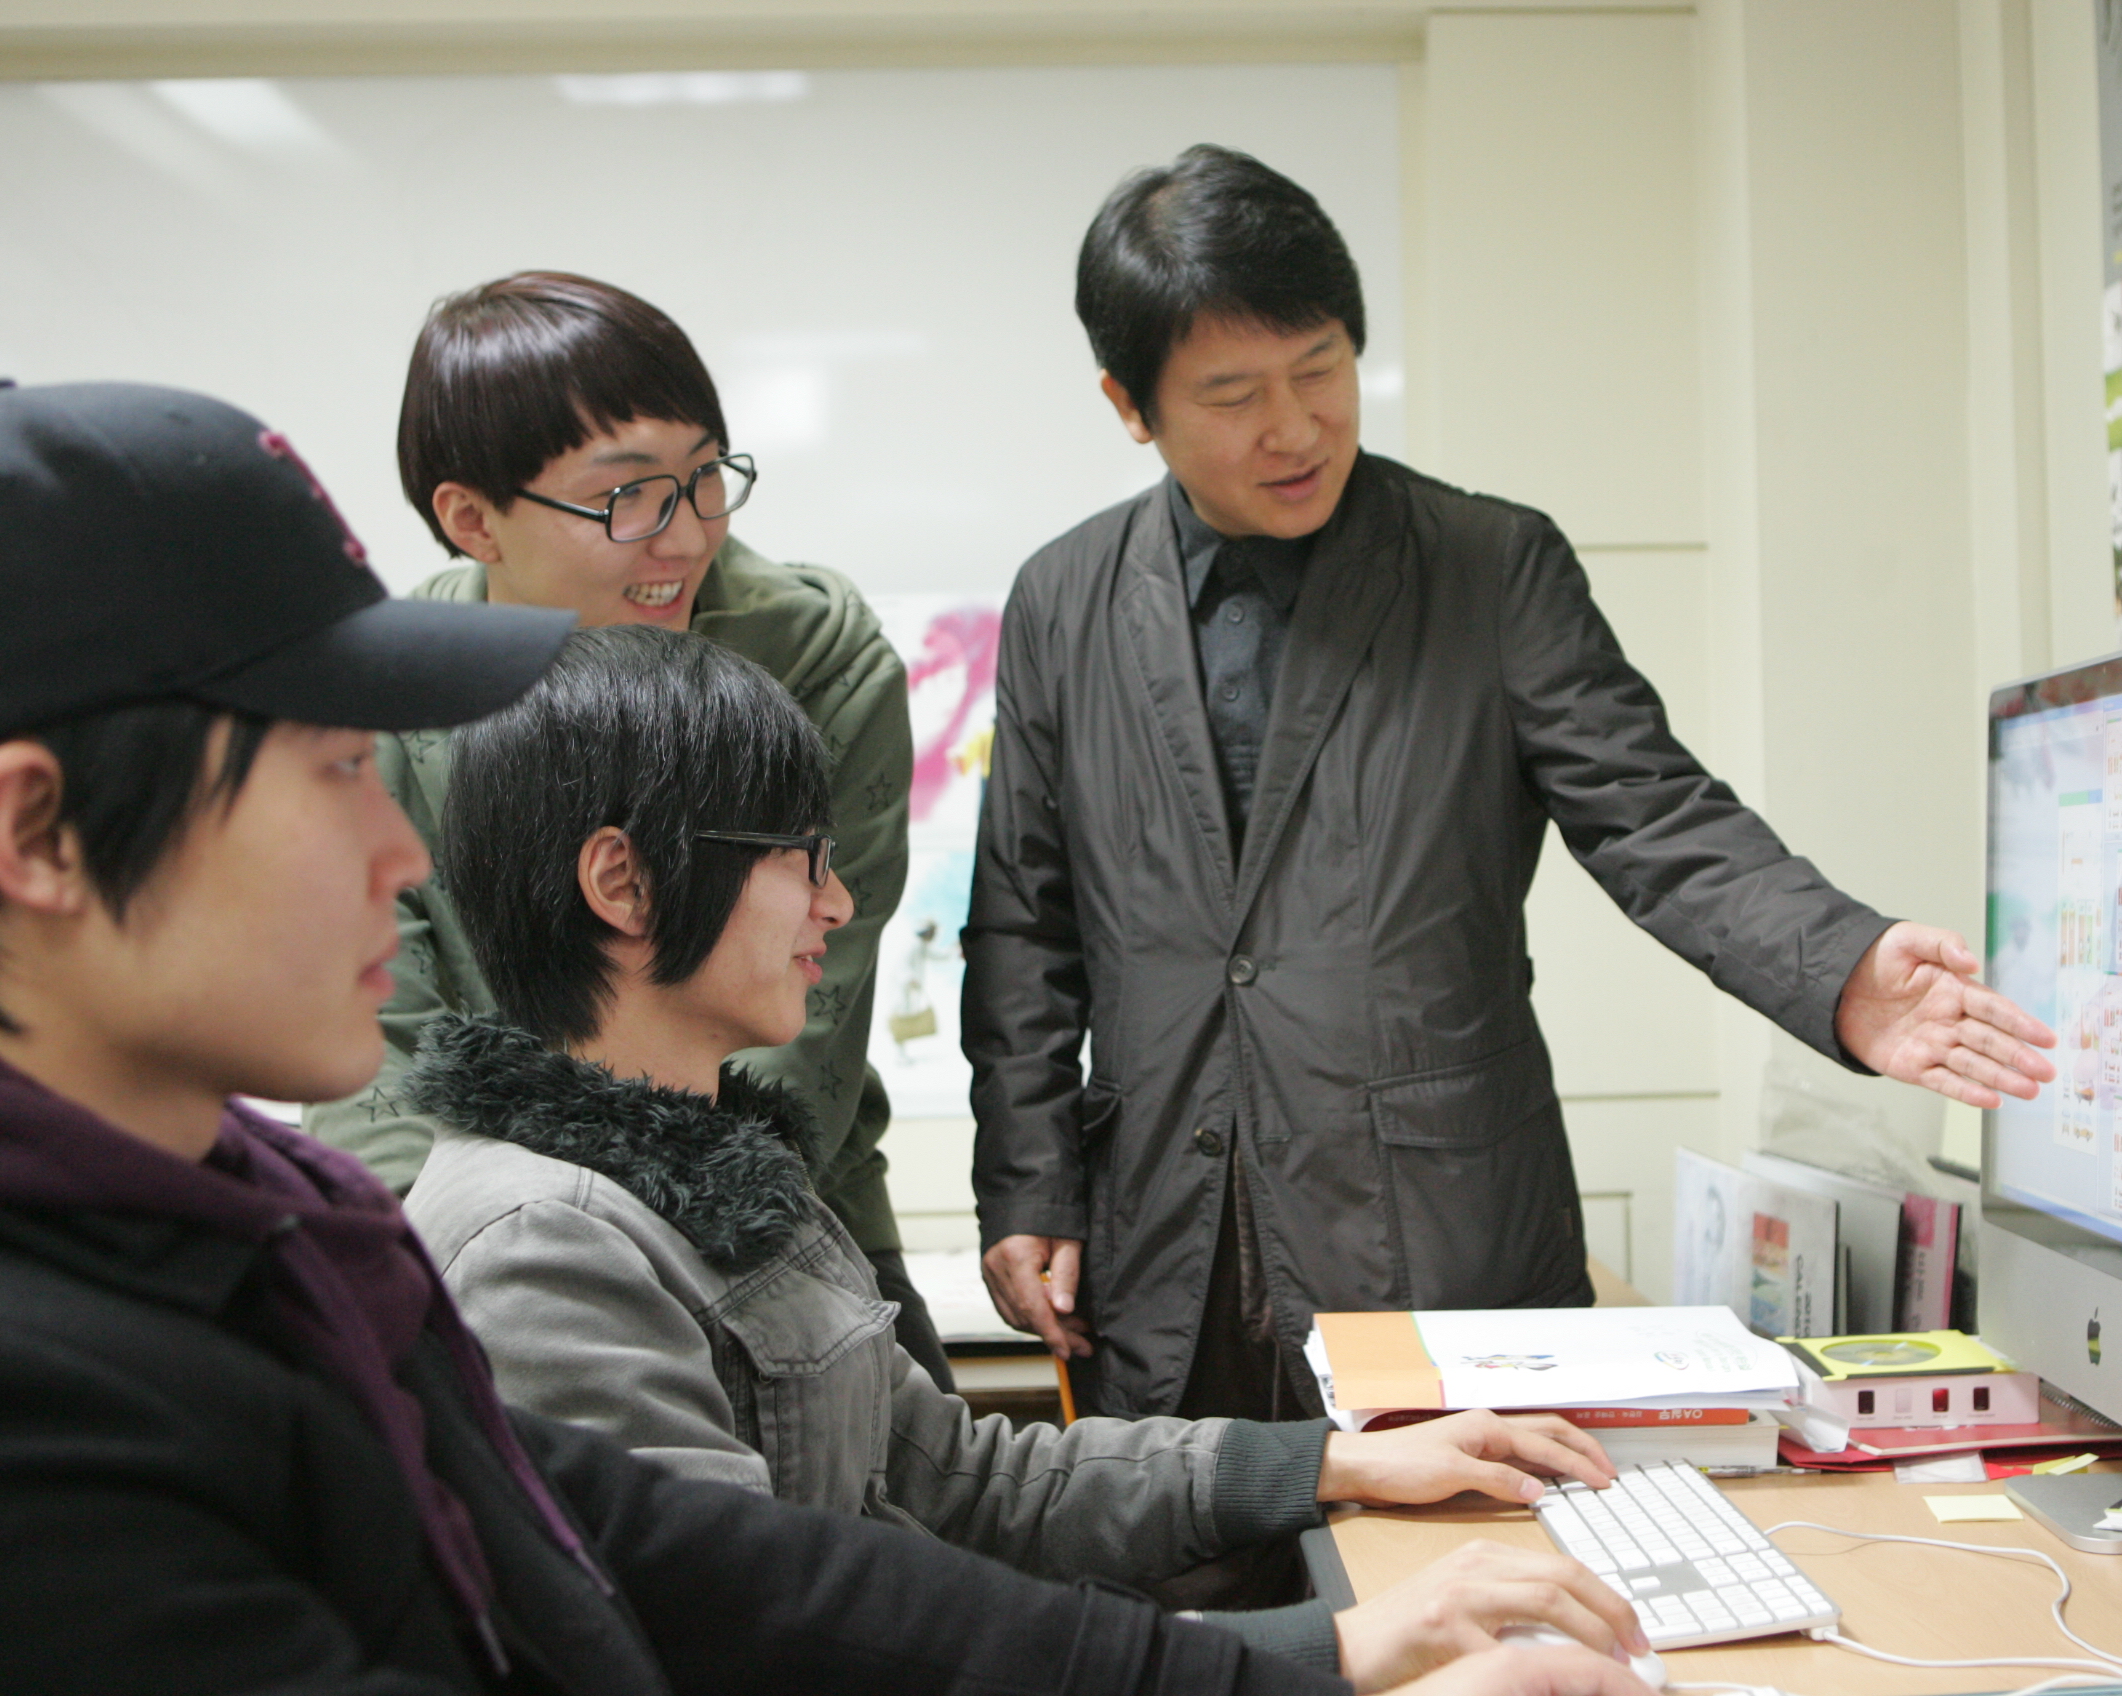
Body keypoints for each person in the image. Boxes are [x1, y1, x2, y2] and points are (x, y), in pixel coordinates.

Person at [0, 380, 1648, 1696]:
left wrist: (1318, 1577)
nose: (397, 854)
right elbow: (788, 1641)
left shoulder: (310, 1239)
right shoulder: (86, 1409)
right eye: (330, 773)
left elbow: (786, 1573)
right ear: (37, 834)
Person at [966, 146, 2059, 1420]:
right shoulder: (1063, 602)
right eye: (1234, 393)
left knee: (1466, 1547)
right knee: (1182, 1541)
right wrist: (1030, 1182)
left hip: (1437, 1236)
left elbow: (1656, 815)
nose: (1297, 426)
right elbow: (1025, 925)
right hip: (1166, 1243)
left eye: (1321, 367)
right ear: (1130, 403)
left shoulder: (1490, 569)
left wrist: (1840, 967)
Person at [395, 623, 1649, 1688]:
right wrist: (1329, 1653)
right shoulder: (544, 1247)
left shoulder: (715, 1175)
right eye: (796, 855)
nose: (835, 902)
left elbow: (963, 1479)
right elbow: (783, 1651)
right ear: (623, 882)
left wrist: (1329, 1459)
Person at [302, 270, 955, 1392]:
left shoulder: (816, 662)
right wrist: (444, 1287)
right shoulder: (392, 704)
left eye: (706, 477)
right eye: (626, 498)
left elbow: (801, 1024)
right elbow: (373, 1050)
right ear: (473, 520)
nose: (686, 536)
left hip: (779, 1218)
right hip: (476, 1248)